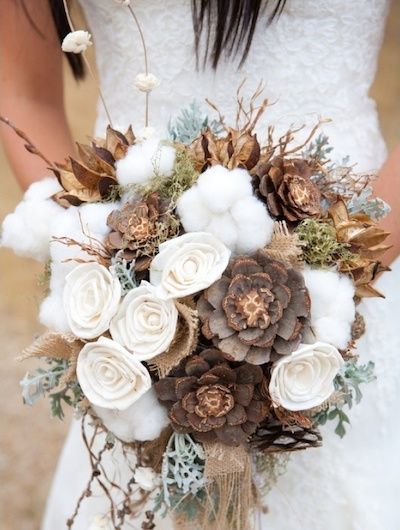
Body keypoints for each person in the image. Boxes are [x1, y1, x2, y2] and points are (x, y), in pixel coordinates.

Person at [0, 1, 399, 529]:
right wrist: (98, 263)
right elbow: (23, 95)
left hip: (356, 274)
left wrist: (336, 275)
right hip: (134, 294)